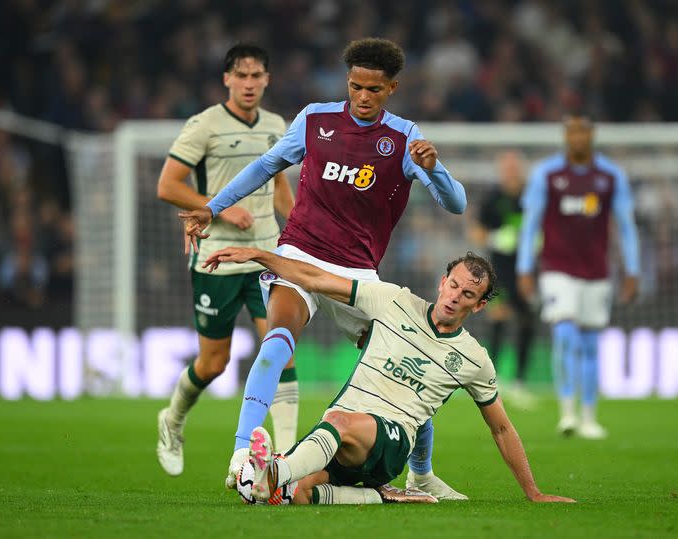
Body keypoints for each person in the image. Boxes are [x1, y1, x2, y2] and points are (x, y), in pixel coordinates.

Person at [180, 38, 468, 498]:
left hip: (358, 275)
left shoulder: (405, 138)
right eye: (355, 86)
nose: (363, 96)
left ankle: (421, 472)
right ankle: (240, 455)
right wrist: (212, 208)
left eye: (374, 89)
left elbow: (456, 204)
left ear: (391, 87)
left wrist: (435, 170)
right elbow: (265, 165)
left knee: (410, 366)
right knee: (276, 343)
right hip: (300, 254)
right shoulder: (315, 119)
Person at [202, 246, 575, 505]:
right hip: (341, 434)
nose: (455, 296)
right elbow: (315, 279)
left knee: (332, 426)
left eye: (468, 294)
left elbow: (502, 428)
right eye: (454, 285)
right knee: (297, 494)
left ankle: (269, 473)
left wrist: (533, 492)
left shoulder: (474, 359)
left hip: (390, 441)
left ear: (478, 306)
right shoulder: (392, 300)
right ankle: (377, 495)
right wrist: (262, 257)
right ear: (442, 281)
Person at [155, 43, 297, 476]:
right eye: (242, 75)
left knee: (280, 351)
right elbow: (167, 185)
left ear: (268, 79)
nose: (249, 83)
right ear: (227, 79)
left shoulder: (277, 126)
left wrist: (307, 234)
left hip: (266, 258)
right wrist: (216, 206)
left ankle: (287, 462)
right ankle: (172, 418)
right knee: (214, 363)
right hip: (215, 259)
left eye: (257, 76)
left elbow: (282, 193)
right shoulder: (204, 126)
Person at [516, 112, 640, 439]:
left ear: (592, 134)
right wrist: (525, 267)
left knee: (589, 345)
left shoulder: (611, 176)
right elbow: (531, 224)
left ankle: (589, 418)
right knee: (565, 335)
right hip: (557, 269)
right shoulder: (548, 174)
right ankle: (567, 413)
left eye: (583, 131)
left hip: (597, 271)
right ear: (565, 135)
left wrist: (633, 268)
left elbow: (626, 226)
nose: (578, 137)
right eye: (572, 131)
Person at [469, 150, 535, 407]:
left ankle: (520, 381)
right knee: (498, 318)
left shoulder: (532, 197)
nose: (511, 172)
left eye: (514, 167)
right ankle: (491, 382)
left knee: (527, 320)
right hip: (498, 271)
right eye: (506, 168)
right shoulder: (492, 198)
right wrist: (497, 239)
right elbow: (476, 232)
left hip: (528, 272)